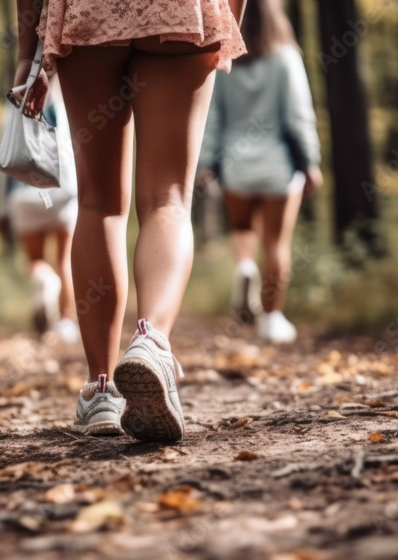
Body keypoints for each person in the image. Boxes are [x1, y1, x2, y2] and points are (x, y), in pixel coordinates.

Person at [14, 0, 246, 441]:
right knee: (168, 201)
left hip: (88, 16)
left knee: (100, 204)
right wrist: (228, 16)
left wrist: (28, 56)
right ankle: (152, 339)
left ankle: (100, 388)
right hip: (182, 13)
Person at [197, 0, 323, 345]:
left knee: (241, 229)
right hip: (277, 166)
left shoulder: (226, 58)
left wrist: (207, 162)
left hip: (236, 164)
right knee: (276, 243)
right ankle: (272, 319)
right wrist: (310, 162)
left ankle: (243, 268)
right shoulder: (286, 57)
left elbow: (213, 116)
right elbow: (299, 116)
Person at [0, 76, 81, 345]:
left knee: (36, 260)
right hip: (62, 191)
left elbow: (2, 158)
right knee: (65, 259)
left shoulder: (14, 105)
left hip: (23, 194)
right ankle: (66, 322)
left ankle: (45, 281)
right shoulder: (67, 103)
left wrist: (1, 208)